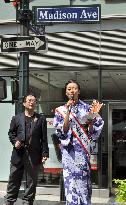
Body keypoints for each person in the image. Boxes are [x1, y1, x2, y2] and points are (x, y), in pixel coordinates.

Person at [53, 79, 104, 205]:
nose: (72, 91)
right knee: (70, 183)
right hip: (68, 152)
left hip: (82, 151)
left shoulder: (87, 108)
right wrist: (68, 112)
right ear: (66, 93)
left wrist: (92, 120)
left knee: (83, 182)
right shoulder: (60, 110)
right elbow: (62, 132)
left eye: (74, 88)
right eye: (69, 89)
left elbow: (93, 132)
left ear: (79, 91)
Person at [3, 93, 49, 205]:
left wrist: (45, 153)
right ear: (24, 103)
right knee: (14, 179)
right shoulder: (16, 118)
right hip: (18, 154)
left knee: (31, 181)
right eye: (29, 100)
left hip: (34, 155)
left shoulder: (41, 119)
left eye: (34, 101)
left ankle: (28, 202)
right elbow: (11, 133)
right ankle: (9, 201)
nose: (32, 102)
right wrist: (15, 142)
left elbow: (44, 138)